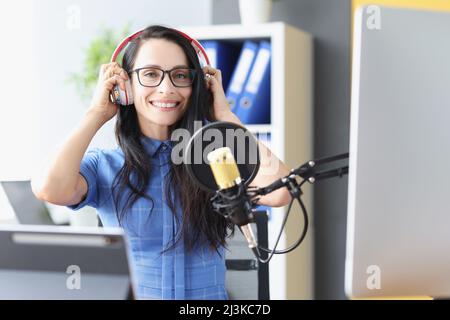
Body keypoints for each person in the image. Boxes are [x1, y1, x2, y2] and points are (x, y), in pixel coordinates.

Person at [31, 25, 292, 300]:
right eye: (151, 74)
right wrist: (96, 112)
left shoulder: (217, 160)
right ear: (125, 87)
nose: (166, 88)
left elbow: (281, 191)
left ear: (198, 87)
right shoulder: (105, 165)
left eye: (180, 75)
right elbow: (50, 188)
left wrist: (226, 116)